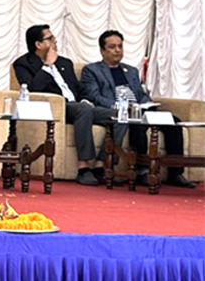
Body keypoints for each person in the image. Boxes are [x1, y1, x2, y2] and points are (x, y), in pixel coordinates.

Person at [80, 30, 195, 188]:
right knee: (137, 125)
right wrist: (122, 106)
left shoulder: (132, 71)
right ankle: (142, 170)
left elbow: (141, 94)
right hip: (119, 110)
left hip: (139, 109)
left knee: (173, 122)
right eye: (112, 47)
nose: (117, 50)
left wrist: (147, 103)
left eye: (120, 46)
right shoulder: (91, 70)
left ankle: (176, 173)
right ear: (102, 51)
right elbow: (94, 96)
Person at [13, 24, 114, 186]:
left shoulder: (65, 63)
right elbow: (32, 89)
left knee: (118, 116)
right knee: (83, 110)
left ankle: (101, 164)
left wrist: (85, 99)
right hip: (56, 108)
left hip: (79, 106)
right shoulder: (23, 64)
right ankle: (83, 167)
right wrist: (47, 65)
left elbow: (79, 89)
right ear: (38, 44)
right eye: (50, 39)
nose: (55, 41)